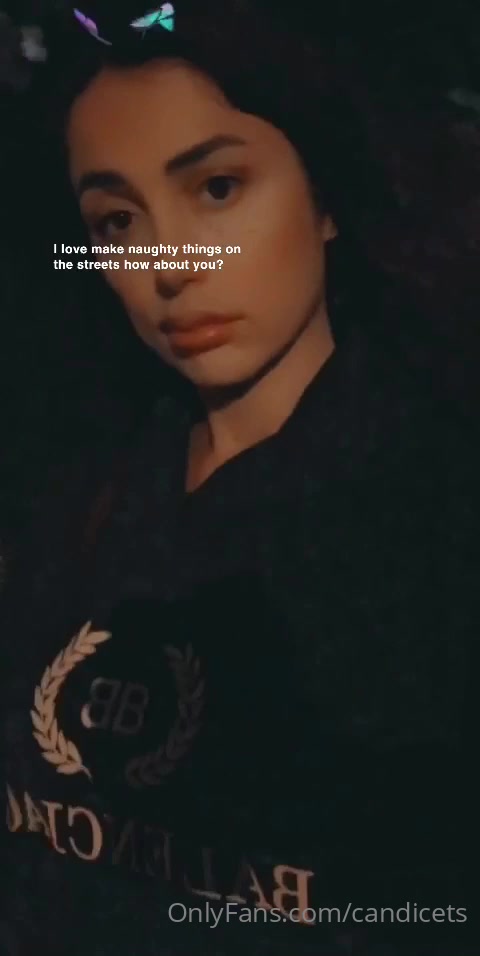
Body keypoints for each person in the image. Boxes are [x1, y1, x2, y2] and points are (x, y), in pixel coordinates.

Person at [3, 2, 475, 955]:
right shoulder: (75, 497)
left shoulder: (436, 515)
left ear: (325, 197)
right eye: (117, 220)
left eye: (217, 188)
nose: (169, 264)